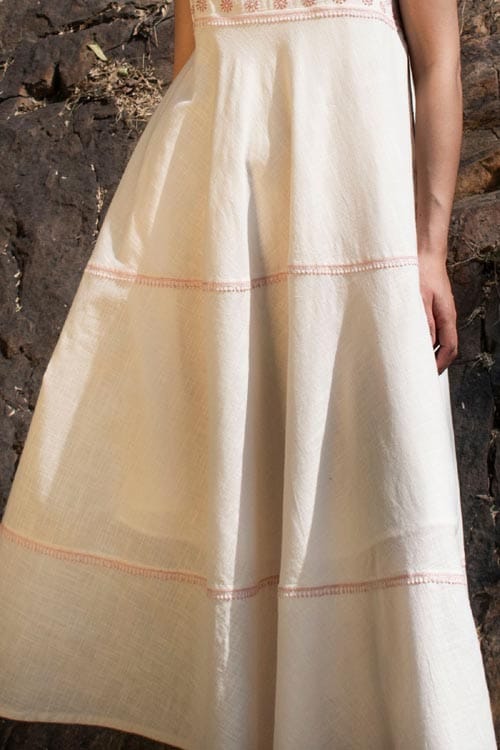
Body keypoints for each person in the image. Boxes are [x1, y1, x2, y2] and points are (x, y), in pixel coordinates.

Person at [0, 0, 496, 747]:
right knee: (239, 491)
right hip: (230, 214)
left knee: (386, 472)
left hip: (358, 217)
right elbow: (191, 67)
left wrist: (430, 249)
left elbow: (438, 63)